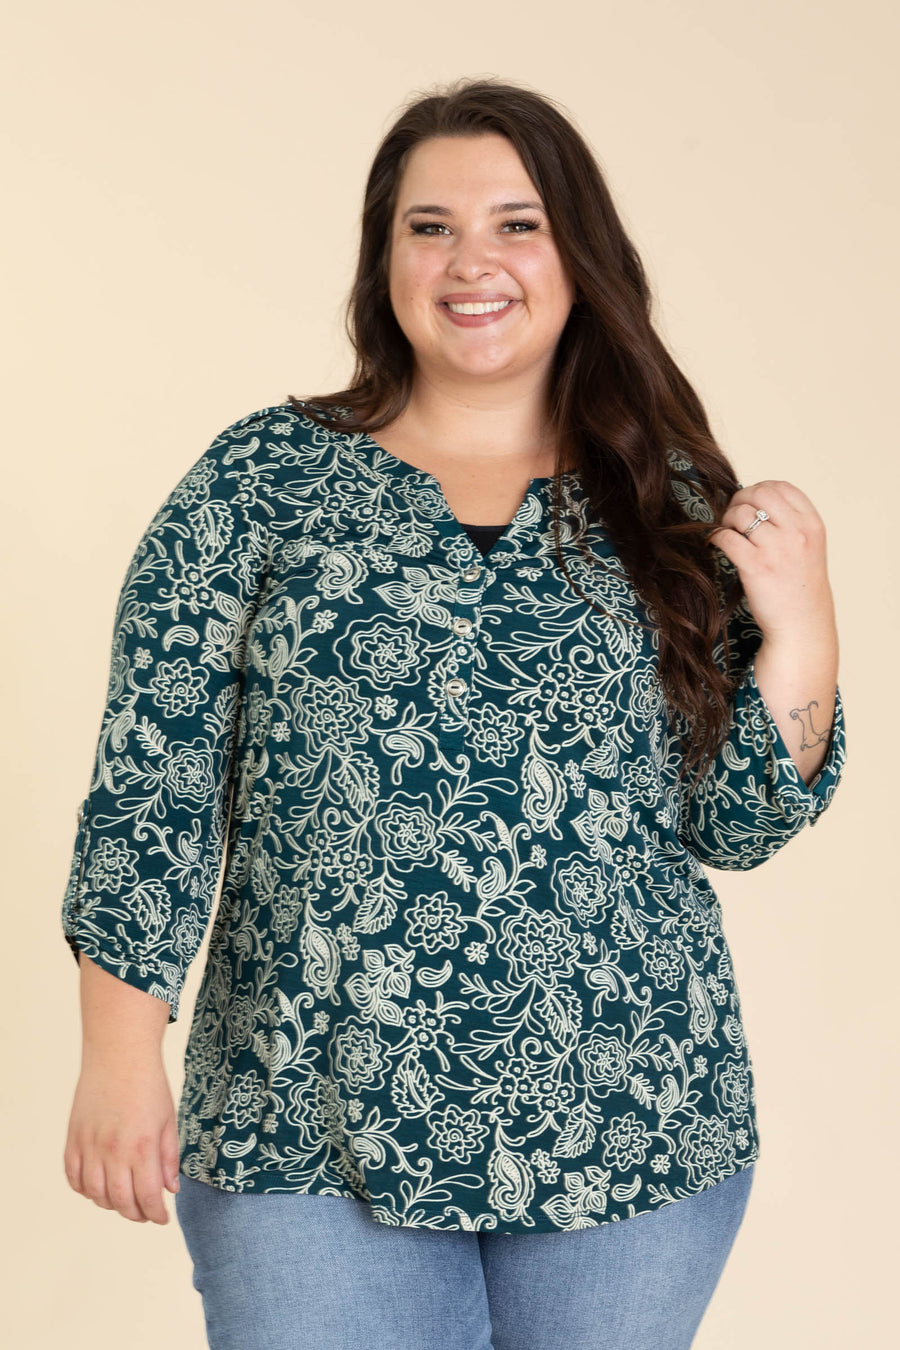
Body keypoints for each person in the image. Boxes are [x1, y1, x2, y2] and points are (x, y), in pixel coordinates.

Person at [61, 77, 846, 1350]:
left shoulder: (669, 498)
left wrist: (803, 626)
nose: (471, 261)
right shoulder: (261, 480)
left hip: (631, 1120)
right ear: (386, 262)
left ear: (579, 256)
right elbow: (154, 780)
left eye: (517, 225)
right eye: (430, 228)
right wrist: (117, 1053)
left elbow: (737, 823)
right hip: (301, 1120)